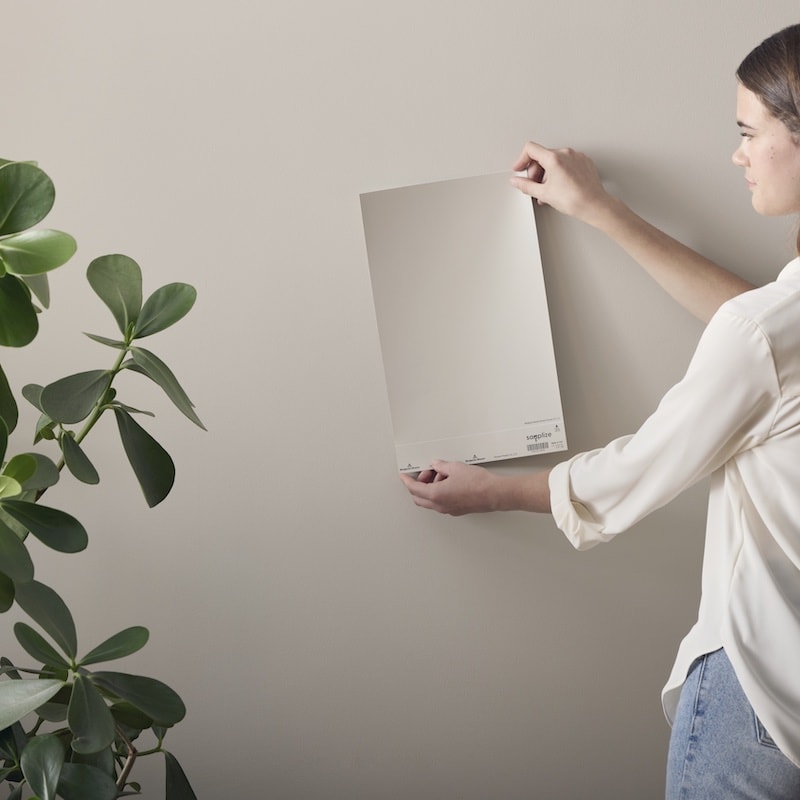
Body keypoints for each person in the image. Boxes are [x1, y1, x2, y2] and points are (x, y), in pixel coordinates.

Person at [400, 23, 800, 800]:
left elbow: (652, 462)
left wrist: (496, 490)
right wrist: (604, 212)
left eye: (749, 131)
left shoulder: (763, 333)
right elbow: (762, 340)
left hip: (756, 696)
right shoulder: (772, 327)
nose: (737, 153)